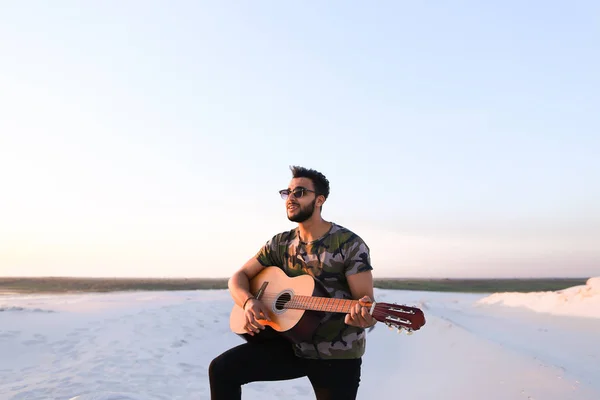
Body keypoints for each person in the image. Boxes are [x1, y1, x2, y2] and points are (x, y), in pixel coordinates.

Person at [209, 166, 377, 400]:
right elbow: (237, 279)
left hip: (336, 355)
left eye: (299, 192)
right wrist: (248, 302)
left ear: (319, 200)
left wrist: (364, 315)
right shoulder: (280, 243)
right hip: (290, 345)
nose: (291, 199)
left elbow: (365, 304)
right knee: (222, 369)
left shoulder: (349, 244)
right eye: (287, 193)